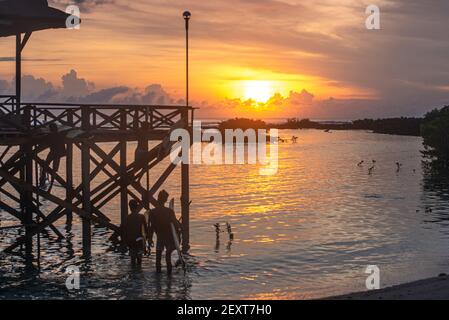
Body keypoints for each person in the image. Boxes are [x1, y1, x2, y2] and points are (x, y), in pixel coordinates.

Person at [148, 190, 181, 274]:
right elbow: (176, 225)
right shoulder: (169, 212)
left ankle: (158, 280)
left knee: (158, 259)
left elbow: (151, 227)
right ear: (165, 200)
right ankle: (169, 279)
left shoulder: (152, 212)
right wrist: (179, 238)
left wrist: (150, 238)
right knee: (168, 258)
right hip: (168, 237)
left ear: (158, 198)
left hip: (160, 236)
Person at [39, 123, 66, 187]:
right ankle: (51, 180)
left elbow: (42, 139)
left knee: (46, 165)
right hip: (59, 153)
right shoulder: (60, 134)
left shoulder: (49, 136)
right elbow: (65, 133)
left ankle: (43, 179)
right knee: (54, 169)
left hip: (53, 152)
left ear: (50, 129)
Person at [123, 199, 147, 266]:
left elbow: (125, 230)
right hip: (139, 240)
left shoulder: (128, 217)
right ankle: (139, 273)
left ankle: (133, 274)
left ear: (130, 207)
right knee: (139, 261)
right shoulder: (142, 217)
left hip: (131, 241)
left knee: (132, 260)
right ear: (137, 207)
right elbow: (145, 229)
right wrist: (146, 241)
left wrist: (125, 242)